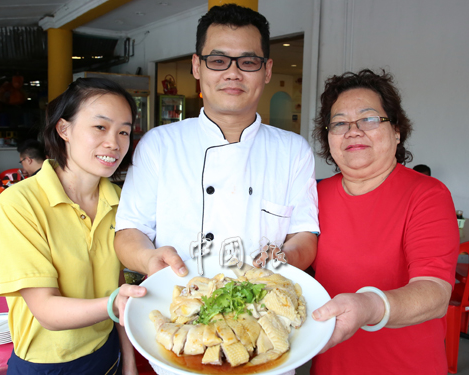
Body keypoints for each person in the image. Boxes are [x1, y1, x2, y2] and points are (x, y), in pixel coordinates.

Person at [115, 3, 319, 277]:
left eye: (248, 62)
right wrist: (149, 258)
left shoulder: (293, 150)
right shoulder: (159, 144)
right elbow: (130, 230)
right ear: (197, 66)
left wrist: (284, 257)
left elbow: (304, 235)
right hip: (176, 299)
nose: (232, 74)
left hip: (259, 305)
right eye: (218, 61)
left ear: (267, 70)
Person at [310, 69, 459, 374]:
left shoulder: (427, 194)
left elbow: (435, 293)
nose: (353, 131)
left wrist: (370, 306)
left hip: (404, 365)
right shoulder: (314, 195)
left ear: (396, 130)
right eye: (339, 123)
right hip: (330, 362)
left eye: (368, 119)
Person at [0, 78, 147, 375]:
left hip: (107, 355)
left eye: (124, 132)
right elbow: (47, 310)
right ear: (64, 129)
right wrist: (116, 302)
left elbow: (120, 289)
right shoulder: (20, 204)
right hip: (46, 366)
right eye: (100, 127)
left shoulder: (122, 203)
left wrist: (128, 363)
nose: (114, 143)